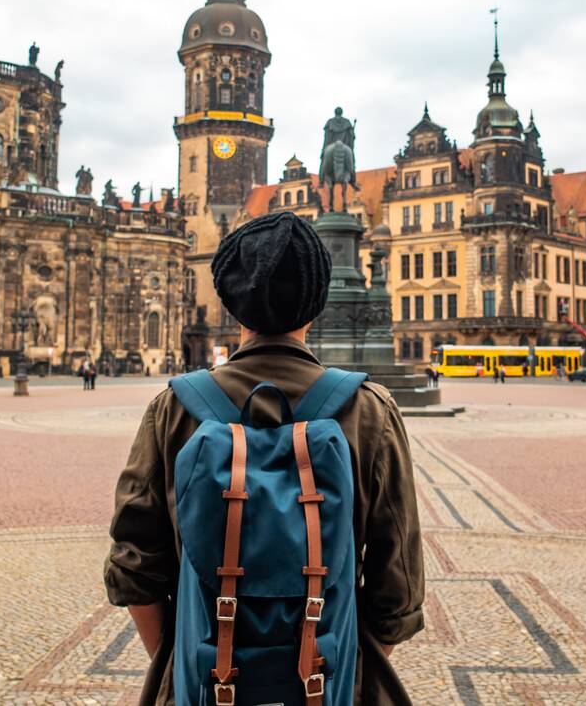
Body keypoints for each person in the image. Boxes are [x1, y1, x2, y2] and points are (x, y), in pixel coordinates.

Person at [104, 213, 424, 705]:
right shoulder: (369, 411)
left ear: (234, 306)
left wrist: (184, 661)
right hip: (333, 682)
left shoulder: (174, 409)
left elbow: (133, 568)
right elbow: (398, 590)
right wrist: (339, 669)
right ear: (316, 305)